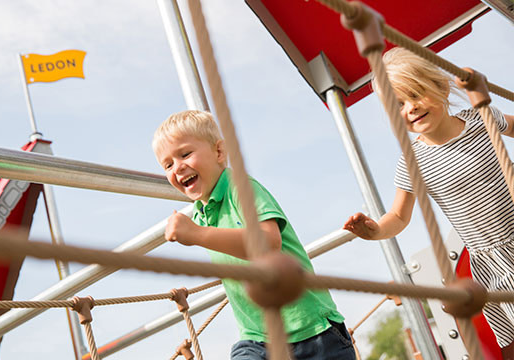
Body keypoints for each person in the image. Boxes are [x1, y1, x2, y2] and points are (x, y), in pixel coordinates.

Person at [343, 47, 514, 359]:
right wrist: (375, 229)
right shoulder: (412, 162)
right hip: (488, 264)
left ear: (443, 88)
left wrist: (482, 96)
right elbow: (398, 215)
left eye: (415, 95)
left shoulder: (478, 119)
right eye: (399, 106)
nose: (410, 109)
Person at [153, 110, 356, 360]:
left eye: (185, 154)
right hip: (258, 338)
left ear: (219, 152)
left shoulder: (240, 187)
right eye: (168, 164)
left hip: (313, 333)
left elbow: (269, 242)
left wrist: (196, 234)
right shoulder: (201, 213)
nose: (178, 167)